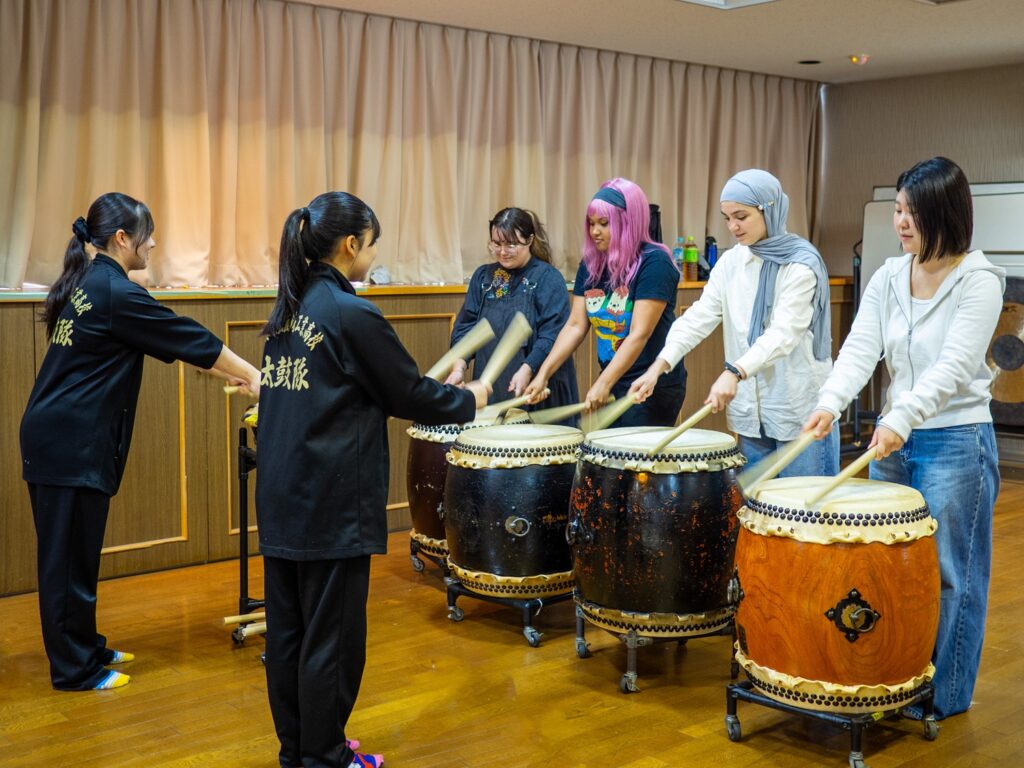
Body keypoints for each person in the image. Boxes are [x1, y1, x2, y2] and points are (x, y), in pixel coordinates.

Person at [255, 191, 490, 768]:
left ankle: (301, 750)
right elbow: (409, 394)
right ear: (352, 244)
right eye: (372, 244)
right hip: (329, 499)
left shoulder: (289, 306)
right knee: (331, 640)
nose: (371, 254)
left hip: (284, 494)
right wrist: (471, 399)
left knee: (289, 635)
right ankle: (326, 757)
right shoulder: (351, 314)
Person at [19, 192, 260, 692]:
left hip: (63, 437)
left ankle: (87, 646)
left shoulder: (94, 282)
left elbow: (174, 340)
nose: (153, 243)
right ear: (122, 239)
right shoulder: (113, 293)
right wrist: (255, 377)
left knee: (78, 556)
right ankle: (74, 670)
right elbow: (189, 337)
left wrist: (234, 375)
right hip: (67, 443)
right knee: (66, 563)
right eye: (146, 233)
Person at [804, 157, 1003, 720]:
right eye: (897, 209)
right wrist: (829, 404)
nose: (901, 222)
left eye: (913, 212)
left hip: (956, 440)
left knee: (947, 574)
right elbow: (860, 349)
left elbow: (954, 366)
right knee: (887, 569)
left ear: (946, 213)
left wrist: (901, 418)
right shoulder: (890, 275)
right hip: (896, 438)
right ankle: (894, 680)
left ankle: (945, 696)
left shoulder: (979, 279)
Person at [630, 169, 839, 476]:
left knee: (804, 513)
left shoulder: (800, 264)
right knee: (757, 514)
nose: (732, 226)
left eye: (741, 216)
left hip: (798, 409)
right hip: (752, 414)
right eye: (727, 217)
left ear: (769, 209)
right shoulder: (732, 261)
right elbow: (699, 316)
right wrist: (659, 365)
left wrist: (735, 371)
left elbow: (783, 333)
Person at [524, 178, 685, 426]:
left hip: (651, 383)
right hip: (614, 376)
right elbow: (576, 325)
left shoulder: (655, 262)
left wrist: (602, 384)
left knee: (632, 461)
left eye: (603, 223)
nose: (594, 231)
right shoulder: (591, 264)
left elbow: (639, 334)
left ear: (627, 223)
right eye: (591, 224)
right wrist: (542, 375)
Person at [445, 208, 578, 411]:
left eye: (511, 244)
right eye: (496, 244)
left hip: (535, 386)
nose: (503, 251)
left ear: (530, 240)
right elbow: (465, 327)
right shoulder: (483, 278)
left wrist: (528, 367)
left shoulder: (548, 278)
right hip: (491, 387)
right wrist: (459, 366)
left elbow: (552, 334)